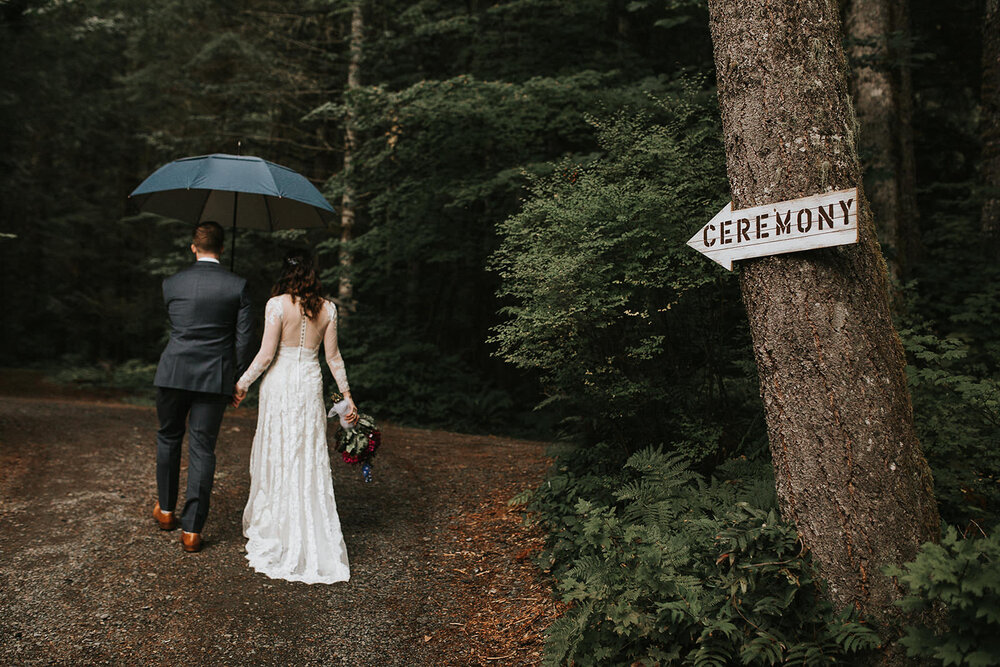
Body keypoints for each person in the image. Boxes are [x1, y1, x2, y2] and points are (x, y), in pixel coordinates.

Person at [233, 250, 357, 584]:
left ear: (286, 274)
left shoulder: (276, 305)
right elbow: (333, 358)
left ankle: (276, 524)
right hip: (308, 384)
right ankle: (308, 526)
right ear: (314, 274)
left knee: (278, 450)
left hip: (280, 383)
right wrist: (347, 396)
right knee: (306, 452)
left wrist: (242, 384)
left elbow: (265, 354)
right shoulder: (329, 309)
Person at [152, 221, 253, 553]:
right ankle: (192, 530)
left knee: (168, 436)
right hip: (214, 376)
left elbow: (178, 325)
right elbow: (243, 340)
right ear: (222, 248)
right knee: (202, 448)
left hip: (173, 372)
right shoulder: (237, 286)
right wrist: (235, 379)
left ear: (193, 247)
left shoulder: (172, 284)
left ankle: (166, 512)